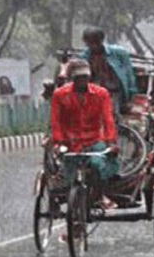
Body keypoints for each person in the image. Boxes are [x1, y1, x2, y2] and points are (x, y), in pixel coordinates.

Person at [50, 59, 120, 213]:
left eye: (85, 77)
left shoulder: (101, 94)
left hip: (94, 139)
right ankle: (61, 197)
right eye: (78, 77)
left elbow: (107, 119)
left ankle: (100, 195)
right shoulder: (59, 95)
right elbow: (56, 122)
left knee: (97, 164)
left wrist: (111, 142)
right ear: (72, 78)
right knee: (65, 173)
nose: (82, 81)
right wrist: (58, 142)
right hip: (69, 141)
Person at [80, 27, 137, 115]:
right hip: (92, 92)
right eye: (90, 43)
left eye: (96, 42)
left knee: (111, 114)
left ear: (102, 40)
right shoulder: (84, 57)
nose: (94, 46)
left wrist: (131, 96)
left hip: (114, 92)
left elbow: (129, 74)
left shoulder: (119, 53)